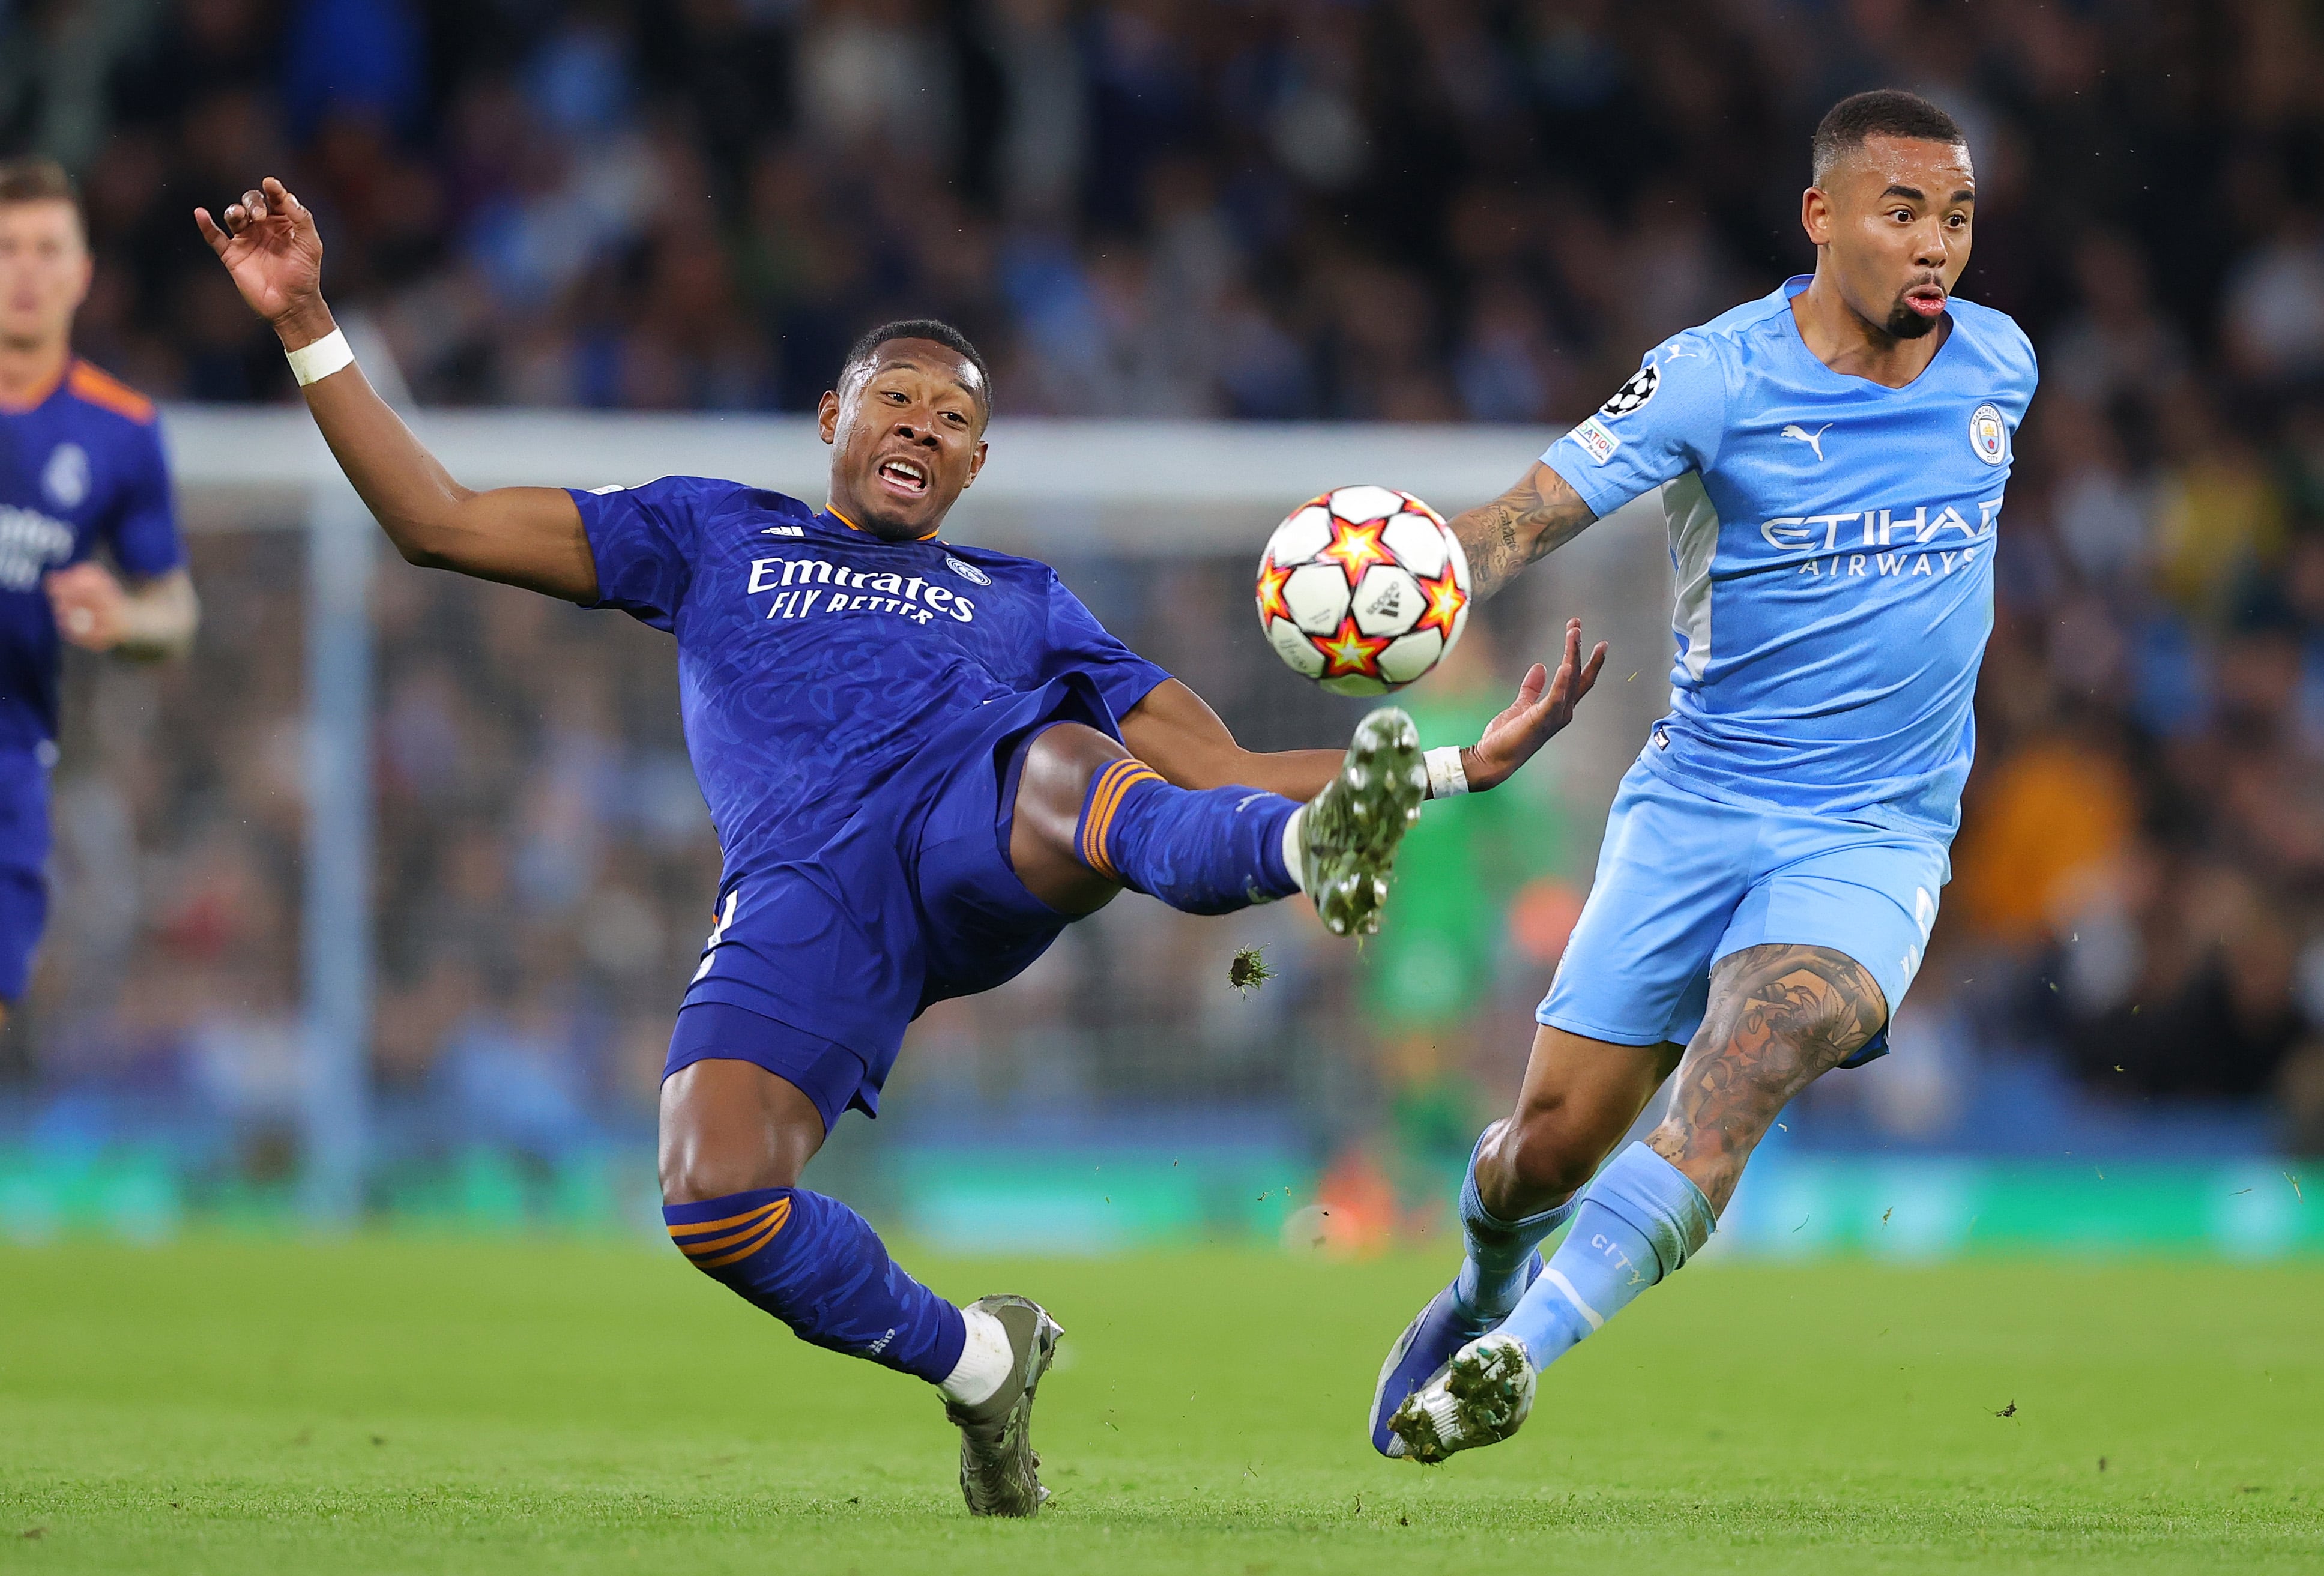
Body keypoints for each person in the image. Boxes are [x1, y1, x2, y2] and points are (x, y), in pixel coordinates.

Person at [195, 176, 1607, 1514]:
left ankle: (1312, 853)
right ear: (833, 414)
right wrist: (308, 325)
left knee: (1071, 766)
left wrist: (1445, 761)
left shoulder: (1023, 601)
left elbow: (1220, 764)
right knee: (715, 1195)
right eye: (898, 398)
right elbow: (435, 522)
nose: (924, 427)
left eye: (954, 419)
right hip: (807, 898)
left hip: (979, 835)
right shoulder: (706, 531)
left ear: (978, 463)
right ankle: (982, 1362)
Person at [1372, 89, 2038, 1461]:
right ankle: (1483, 1290)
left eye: (1956, 218)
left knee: (1754, 1054)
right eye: (1901, 211)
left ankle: (1519, 1354)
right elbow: (1520, 520)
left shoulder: (2000, 367)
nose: (1936, 247)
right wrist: (1405, 588)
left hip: (1872, 834)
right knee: (1538, 1154)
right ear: (1820, 216)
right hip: (1695, 813)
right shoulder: (1713, 375)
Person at [0, 157, 198, 1035]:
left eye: (49, 249)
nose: (28, 270)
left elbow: (175, 612)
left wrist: (127, 623)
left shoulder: (121, 430)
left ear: (82, 274)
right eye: (7, 248)